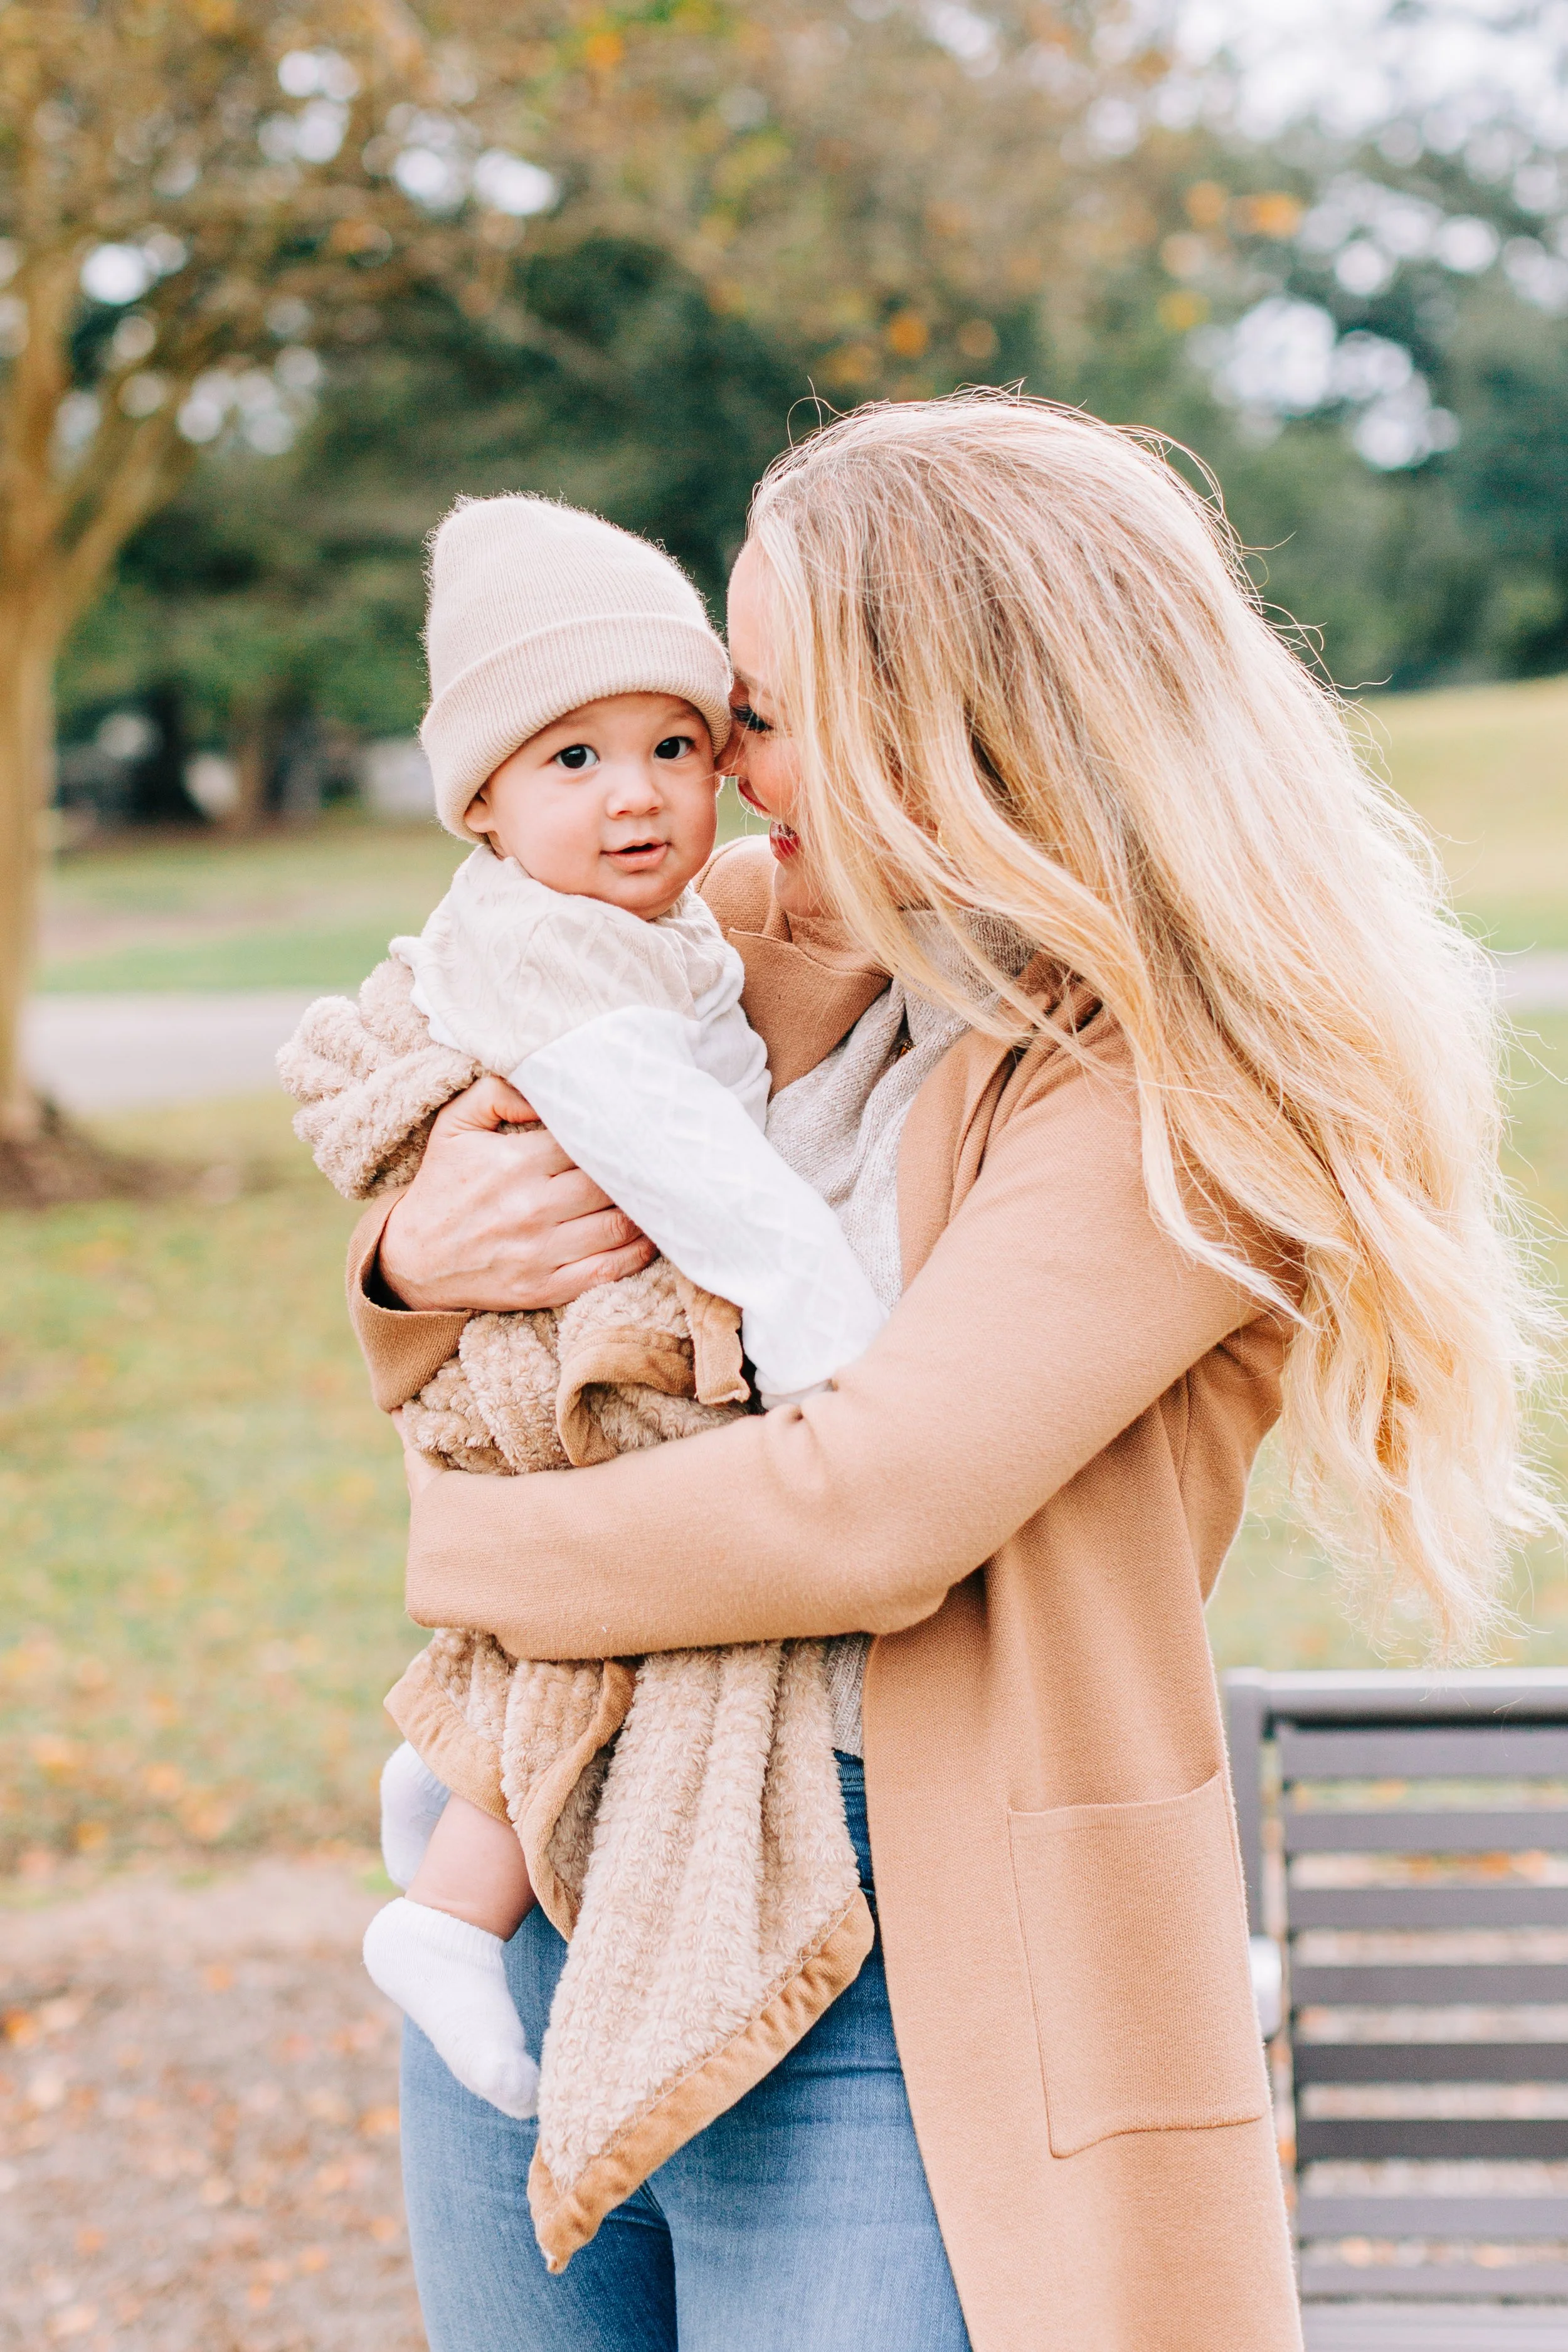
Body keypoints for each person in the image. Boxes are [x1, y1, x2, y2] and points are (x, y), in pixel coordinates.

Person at [347, 394, 1550, 2352]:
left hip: (907, 1963)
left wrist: (464, 1545)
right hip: (578, 1867)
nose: (727, 778)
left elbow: (867, 1508)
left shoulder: (1187, 1093)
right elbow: (460, 1083)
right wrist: (407, 1258)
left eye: (774, 711)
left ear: (977, 719)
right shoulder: (750, 935)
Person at [281, 493, 886, 2143]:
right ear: (479, 803)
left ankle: (465, 1778)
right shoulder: (599, 945)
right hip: (582, 1369)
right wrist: (405, 1257)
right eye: (572, 759)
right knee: (609, 1501)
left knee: (592, 1553)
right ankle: (465, 1847)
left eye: (684, 741)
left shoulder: (681, 921)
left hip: (851, 1725)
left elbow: (882, 1505)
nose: (647, 792)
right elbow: (677, 1162)